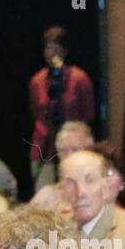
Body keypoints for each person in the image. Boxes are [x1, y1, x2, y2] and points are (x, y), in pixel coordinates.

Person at [28, 26, 95, 192]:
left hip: (73, 148)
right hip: (44, 147)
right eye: (48, 48)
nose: (52, 53)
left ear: (65, 51)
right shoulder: (37, 81)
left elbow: (88, 114)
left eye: (56, 48)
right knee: (44, 193)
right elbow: (35, 111)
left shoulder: (80, 78)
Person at [30, 121, 96, 212]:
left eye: (75, 149)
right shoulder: (47, 196)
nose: (69, 156)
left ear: (91, 151)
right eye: (64, 151)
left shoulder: (100, 192)